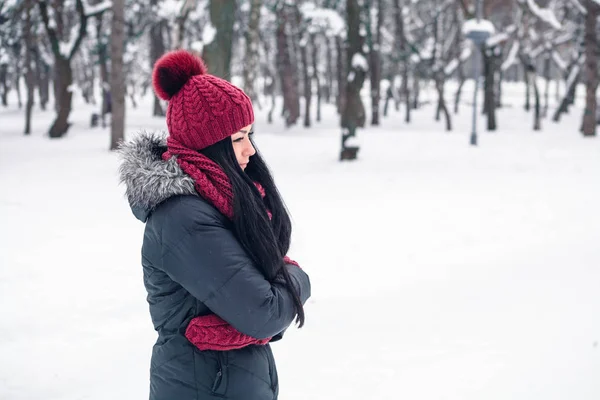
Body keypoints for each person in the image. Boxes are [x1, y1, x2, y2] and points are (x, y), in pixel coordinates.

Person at [118, 49, 311, 400]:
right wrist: (296, 276)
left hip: (229, 380)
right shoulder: (183, 218)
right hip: (201, 386)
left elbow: (255, 314)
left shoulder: (219, 204)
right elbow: (263, 311)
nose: (250, 150)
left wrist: (248, 328)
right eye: (238, 138)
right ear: (209, 147)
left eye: (250, 135)